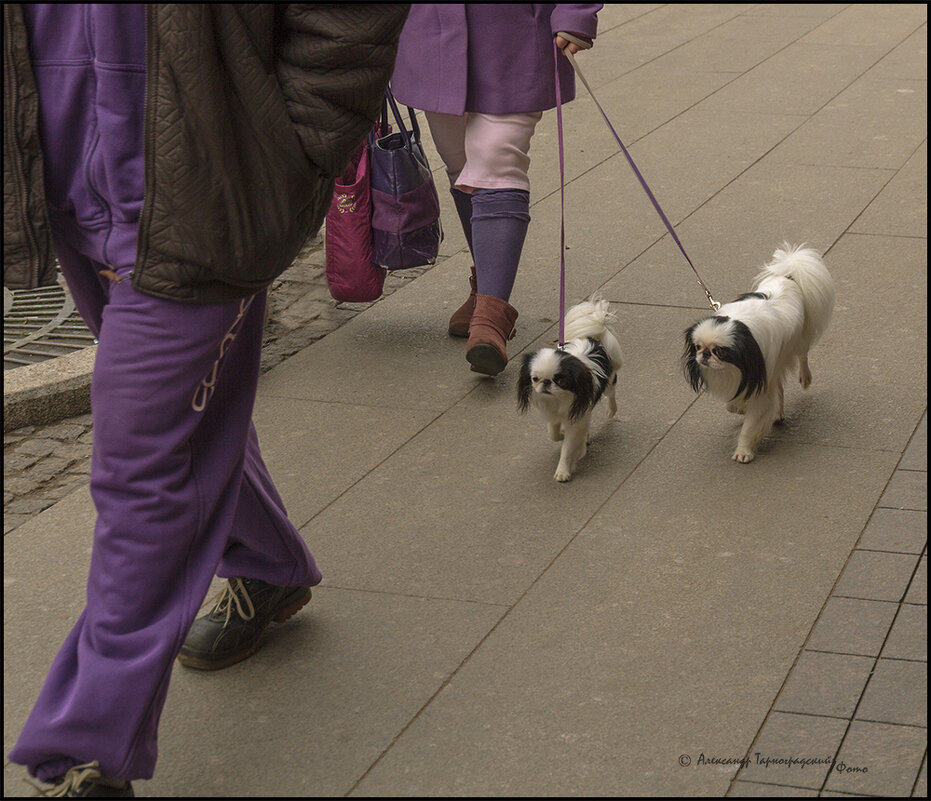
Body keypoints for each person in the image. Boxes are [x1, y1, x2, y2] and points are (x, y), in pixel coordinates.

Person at [3, 3, 409, 796]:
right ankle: (268, 564)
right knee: (188, 418)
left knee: (141, 462)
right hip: (66, 185)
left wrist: (285, 154)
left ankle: (87, 749)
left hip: (209, 195)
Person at [390, 4, 602, 376]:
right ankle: (484, 289)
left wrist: (575, 12)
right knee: (460, 167)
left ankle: (491, 316)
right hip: (431, 36)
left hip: (517, 35)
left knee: (496, 160)